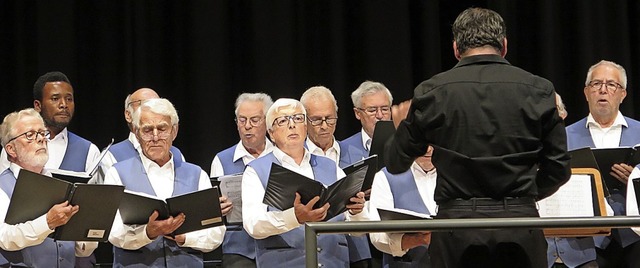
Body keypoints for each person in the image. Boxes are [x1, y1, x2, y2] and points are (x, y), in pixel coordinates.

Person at [385, 7, 570, 268]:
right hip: (520, 225)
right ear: (504, 46)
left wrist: (403, 123)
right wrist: (522, 199)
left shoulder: (432, 92)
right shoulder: (539, 90)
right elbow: (559, 169)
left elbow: (395, 162)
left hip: (457, 229)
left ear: (456, 49)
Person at [241, 98, 367, 267]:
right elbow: (253, 225)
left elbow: (358, 231)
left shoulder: (330, 166)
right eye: (283, 120)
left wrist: (356, 212)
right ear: (271, 133)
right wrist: (294, 217)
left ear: (306, 127)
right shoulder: (256, 170)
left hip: (334, 262)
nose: (292, 125)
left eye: (298, 118)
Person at [105, 98, 226, 266]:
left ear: (174, 131)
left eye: (162, 129)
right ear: (137, 133)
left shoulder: (197, 175)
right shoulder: (117, 173)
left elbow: (216, 232)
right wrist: (148, 233)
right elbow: (113, 231)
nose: (155, 137)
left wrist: (183, 237)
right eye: (147, 130)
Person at [565, 60, 640, 267]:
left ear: (623, 94)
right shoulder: (565, 136)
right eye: (596, 84)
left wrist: (634, 179)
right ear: (586, 92)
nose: (603, 90)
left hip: (635, 236)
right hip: (587, 241)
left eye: (611, 85)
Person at [0, 108, 97, 267]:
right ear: (11, 149)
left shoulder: (61, 185)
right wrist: (47, 223)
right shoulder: (3, 186)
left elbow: (82, 250)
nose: (41, 139)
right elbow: (5, 237)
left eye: (42, 133)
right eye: (30, 135)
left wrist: (86, 229)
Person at [210, 92, 274, 268]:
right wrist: (216, 208)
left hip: (278, 244)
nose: (247, 126)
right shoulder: (222, 160)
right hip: (237, 248)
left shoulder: (281, 156)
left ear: (267, 122)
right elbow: (211, 212)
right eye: (242, 120)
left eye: (254, 120)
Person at [339, 80, 394, 267]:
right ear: (357, 113)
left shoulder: (404, 146)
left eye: (385, 109)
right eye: (372, 110)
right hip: (359, 246)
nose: (380, 115)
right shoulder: (342, 149)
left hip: (395, 236)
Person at [0, 72, 101, 173]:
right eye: (55, 99)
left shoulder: (89, 151)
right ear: (38, 105)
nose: (64, 104)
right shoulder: (16, 147)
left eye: (69, 99)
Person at [369, 147, 436, 267]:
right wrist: (419, 239)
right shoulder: (386, 176)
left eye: (433, 143)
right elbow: (376, 235)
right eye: (423, 143)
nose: (428, 149)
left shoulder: (458, 176)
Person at [100, 88, 185, 182]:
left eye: (157, 104)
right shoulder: (112, 156)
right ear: (128, 114)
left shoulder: (177, 155)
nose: (151, 109)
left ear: (174, 130)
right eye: (144, 103)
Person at [300, 86, 340, 164]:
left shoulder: (353, 152)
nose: (324, 126)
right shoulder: (297, 157)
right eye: (317, 120)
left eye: (329, 118)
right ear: (304, 121)